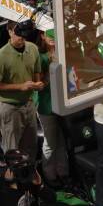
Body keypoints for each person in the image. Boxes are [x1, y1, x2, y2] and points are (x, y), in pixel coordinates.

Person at [0, 21, 44, 162]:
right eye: (18, 34)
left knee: (31, 147)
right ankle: (11, 182)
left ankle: (29, 178)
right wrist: (20, 87)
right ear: (10, 31)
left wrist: (38, 84)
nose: (22, 38)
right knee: (12, 151)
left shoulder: (33, 49)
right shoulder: (1, 55)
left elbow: (36, 72)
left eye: (24, 34)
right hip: (10, 108)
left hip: (29, 105)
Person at [37, 29, 69, 188]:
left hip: (63, 104)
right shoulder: (41, 57)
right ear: (42, 36)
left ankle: (63, 173)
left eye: (54, 34)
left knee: (61, 140)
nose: (52, 38)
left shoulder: (63, 53)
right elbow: (38, 83)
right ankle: (49, 175)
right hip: (47, 105)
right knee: (50, 141)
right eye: (48, 35)